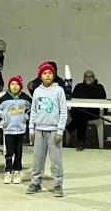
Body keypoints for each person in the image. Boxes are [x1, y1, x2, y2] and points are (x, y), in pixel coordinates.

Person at [26, 62, 67, 198]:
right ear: (40, 76)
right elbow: (33, 111)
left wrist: (60, 130)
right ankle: (36, 182)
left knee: (56, 160)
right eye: (45, 73)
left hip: (54, 131)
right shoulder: (37, 91)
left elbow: (63, 112)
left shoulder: (59, 90)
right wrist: (31, 129)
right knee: (38, 159)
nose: (48, 75)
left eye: (50, 73)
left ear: (54, 75)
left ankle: (58, 184)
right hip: (39, 130)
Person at [0, 75, 31, 184]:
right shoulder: (4, 98)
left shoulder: (25, 98)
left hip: (21, 130)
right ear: (9, 86)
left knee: (19, 152)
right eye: (12, 84)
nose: (15, 86)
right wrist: (0, 121)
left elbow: (33, 107)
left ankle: (17, 171)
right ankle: (8, 171)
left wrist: (26, 117)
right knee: (9, 153)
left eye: (17, 84)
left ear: (21, 86)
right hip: (9, 130)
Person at [65, 70, 106, 151]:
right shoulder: (79, 86)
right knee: (81, 115)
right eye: (86, 76)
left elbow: (102, 99)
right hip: (77, 111)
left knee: (82, 117)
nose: (88, 78)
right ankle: (79, 140)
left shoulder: (99, 87)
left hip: (92, 113)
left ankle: (73, 131)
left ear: (94, 78)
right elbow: (73, 99)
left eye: (90, 76)